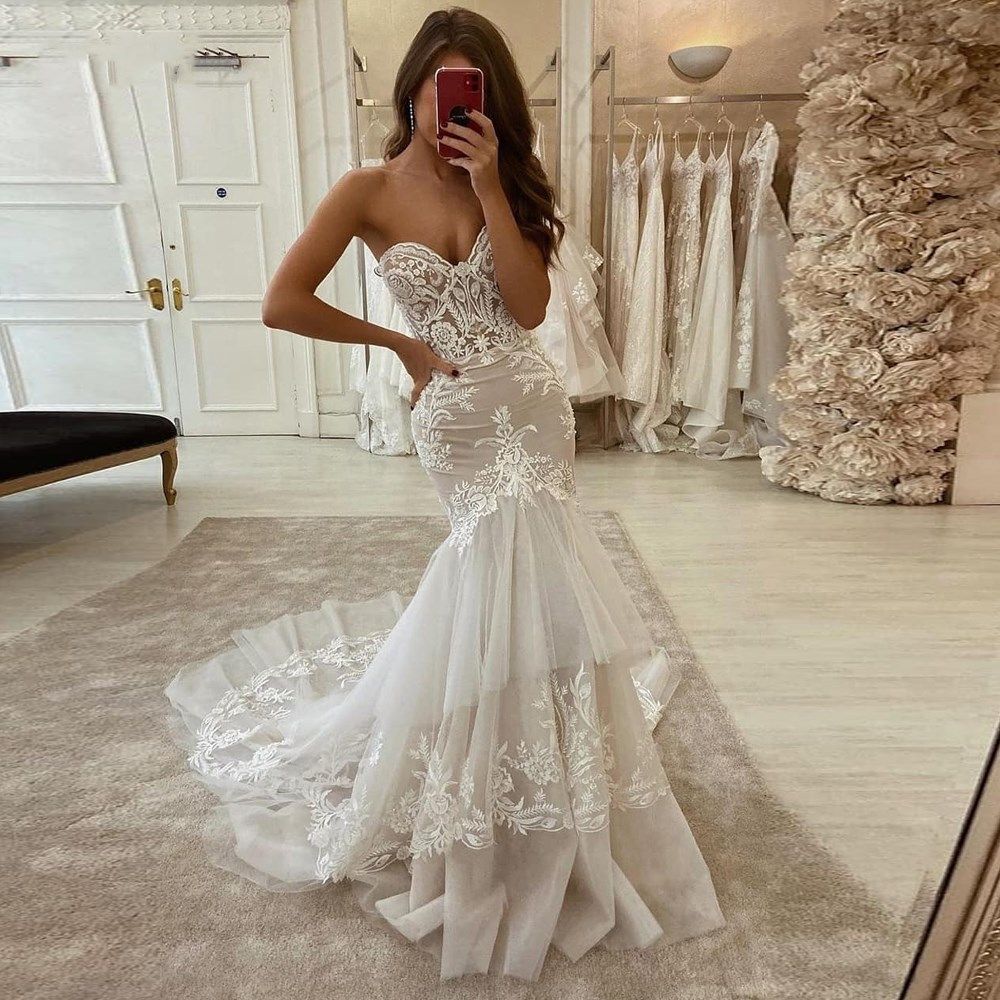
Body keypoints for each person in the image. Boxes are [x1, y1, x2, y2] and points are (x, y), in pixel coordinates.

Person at [164, 7, 725, 982]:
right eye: (439, 86)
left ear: (490, 101)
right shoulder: (367, 189)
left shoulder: (510, 179)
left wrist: (493, 185)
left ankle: (551, 752)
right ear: (413, 88)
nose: (450, 104)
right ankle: (481, 760)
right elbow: (282, 302)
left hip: (530, 406)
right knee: (484, 566)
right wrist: (399, 344)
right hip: (456, 418)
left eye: (471, 89)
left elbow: (529, 309)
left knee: (542, 570)